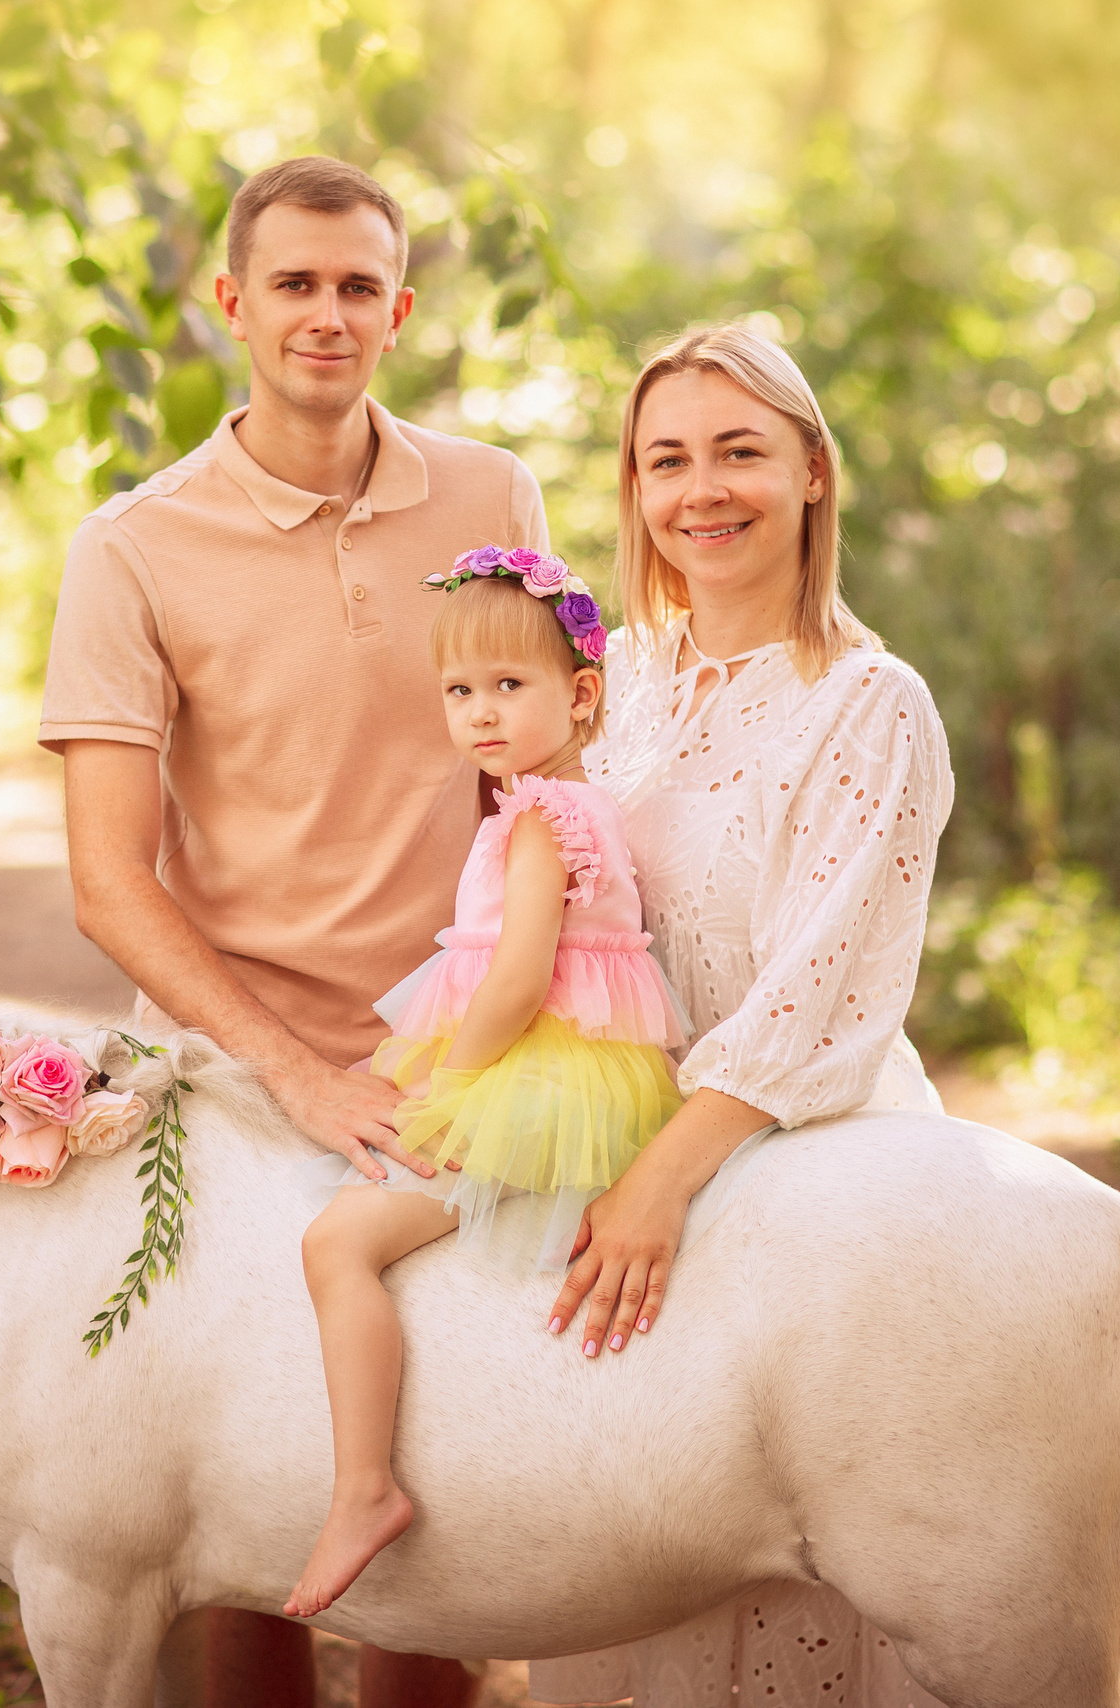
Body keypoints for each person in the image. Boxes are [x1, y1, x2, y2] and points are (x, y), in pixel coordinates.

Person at [41, 154, 545, 1708]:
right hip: (240, 1091)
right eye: (293, 285)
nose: (324, 315)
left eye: (355, 288)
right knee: (236, 1540)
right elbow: (109, 880)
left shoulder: (490, 497)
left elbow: (545, 769)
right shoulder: (130, 547)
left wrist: (507, 1032)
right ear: (231, 305)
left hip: (467, 1069)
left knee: (438, 1543)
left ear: (399, 310)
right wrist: (302, 1078)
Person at [528, 320, 957, 1706]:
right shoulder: (618, 683)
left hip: (799, 1147)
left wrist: (661, 1178)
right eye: (667, 461)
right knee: (614, 1556)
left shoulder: (868, 704)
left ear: (814, 472)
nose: (701, 489)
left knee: (807, 1569)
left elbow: (817, 988)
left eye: (739, 452)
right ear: (636, 489)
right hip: (616, 1142)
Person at [284, 556, 687, 1622]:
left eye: (508, 687)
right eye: (460, 692)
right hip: (563, 1065)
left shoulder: (536, 820)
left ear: (581, 696)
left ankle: (364, 1487)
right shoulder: (573, 806)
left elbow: (515, 978)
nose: (479, 713)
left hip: (540, 1077)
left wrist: (453, 1083)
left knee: (337, 1242)